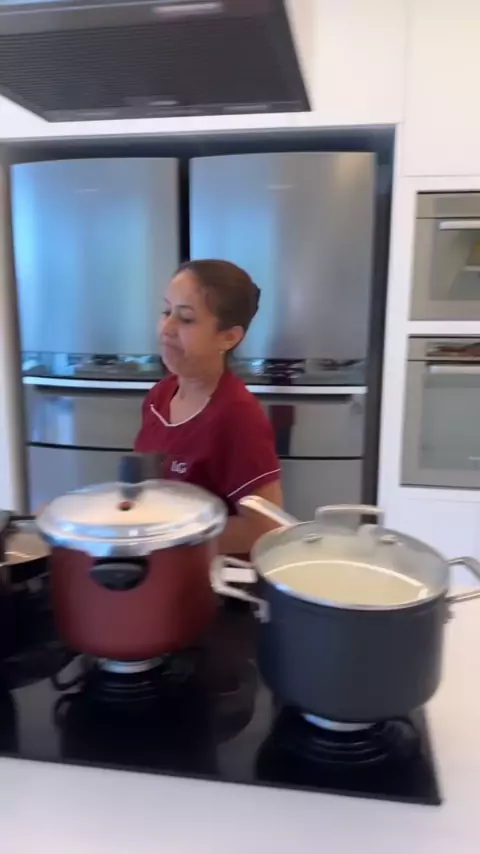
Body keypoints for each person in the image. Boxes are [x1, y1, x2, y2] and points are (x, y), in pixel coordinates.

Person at [135, 259, 283, 556]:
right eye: (166, 312)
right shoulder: (159, 397)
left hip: (212, 576)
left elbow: (265, 528)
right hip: (164, 567)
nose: (167, 328)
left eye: (186, 319)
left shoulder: (237, 416)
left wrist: (170, 536)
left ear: (228, 337)